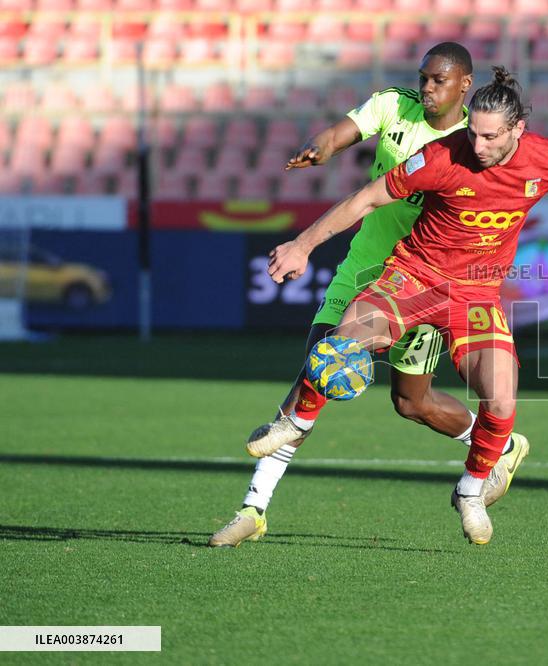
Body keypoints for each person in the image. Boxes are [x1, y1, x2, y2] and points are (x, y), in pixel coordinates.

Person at [266, 67, 548, 544]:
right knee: (342, 342)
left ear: (517, 131)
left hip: (476, 293)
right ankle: (293, 421)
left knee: (503, 396)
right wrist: (303, 244)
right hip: (415, 276)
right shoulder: (441, 156)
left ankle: (470, 491)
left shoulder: (547, 157)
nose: (479, 144)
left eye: (489, 136)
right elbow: (365, 199)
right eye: (473, 132)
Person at [210, 43, 528, 548]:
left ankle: (499, 444)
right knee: (320, 365)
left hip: (425, 281)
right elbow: (344, 132)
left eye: (438, 80)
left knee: (411, 403)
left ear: (464, 86)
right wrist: (324, 146)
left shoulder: (475, 140)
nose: (426, 87)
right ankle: (254, 507)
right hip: (365, 268)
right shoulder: (392, 105)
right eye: (423, 77)